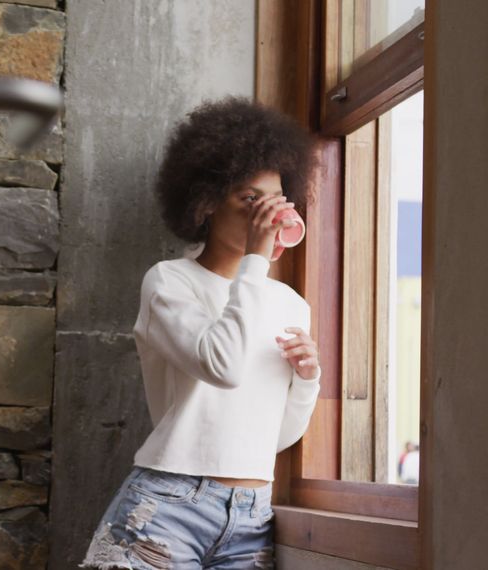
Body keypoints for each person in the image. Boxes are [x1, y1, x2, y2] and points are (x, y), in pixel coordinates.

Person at [79, 97, 322, 569]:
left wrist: (307, 379)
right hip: (167, 507)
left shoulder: (290, 304)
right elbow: (222, 367)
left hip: (252, 517)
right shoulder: (169, 282)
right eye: (250, 199)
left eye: (273, 201)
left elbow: (275, 436)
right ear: (206, 201)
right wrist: (255, 260)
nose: (265, 215)